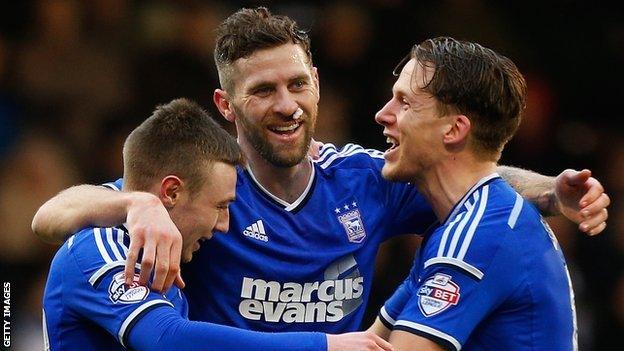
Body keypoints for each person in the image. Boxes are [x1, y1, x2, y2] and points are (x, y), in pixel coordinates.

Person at [33, 7, 609, 334]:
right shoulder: (201, 192)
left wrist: (552, 193)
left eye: (298, 84)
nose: (287, 104)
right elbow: (53, 214)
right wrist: (135, 204)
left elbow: (470, 178)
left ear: (316, 85)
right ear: (226, 106)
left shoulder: (362, 179)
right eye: (263, 90)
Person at [42, 98, 393, 351]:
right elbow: (169, 339)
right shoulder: (102, 248)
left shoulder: (155, 235)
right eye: (221, 206)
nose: (225, 224)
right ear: (172, 192)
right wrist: (326, 345)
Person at [368, 37, 577, 350]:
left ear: (454, 130)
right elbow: (372, 342)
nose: (383, 114)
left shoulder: (478, 235)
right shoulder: (462, 224)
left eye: (405, 102)